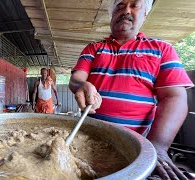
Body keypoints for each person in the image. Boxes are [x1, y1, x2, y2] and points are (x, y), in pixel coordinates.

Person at [69, 0, 194, 179]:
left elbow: (174, 97)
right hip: (87, 141)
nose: (126, 10)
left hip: (135, 148)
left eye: (134, 5)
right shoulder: (94, 48)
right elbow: (76, 79)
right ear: (112, 16)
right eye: (119, 6)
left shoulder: (161, 49)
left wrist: (157, 146)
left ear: (144, 15)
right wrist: (81, 85)